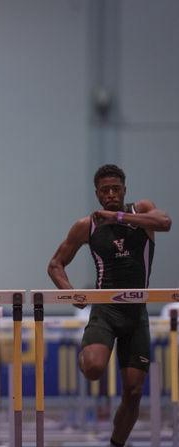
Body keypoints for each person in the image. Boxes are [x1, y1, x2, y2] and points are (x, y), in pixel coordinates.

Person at [48, 164, 172, 447]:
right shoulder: (86, 226)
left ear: (124, 190)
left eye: (116, 189)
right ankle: (87, 349)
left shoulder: (141, 210)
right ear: (98, 194)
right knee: (93, 369)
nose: (111, 194)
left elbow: (165, 223)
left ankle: (116, 444)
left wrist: (116, 216)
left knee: (133, 391)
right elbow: (56, 264)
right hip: (105, 311)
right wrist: (70, 294)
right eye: (105, 191)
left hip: (136, 312)